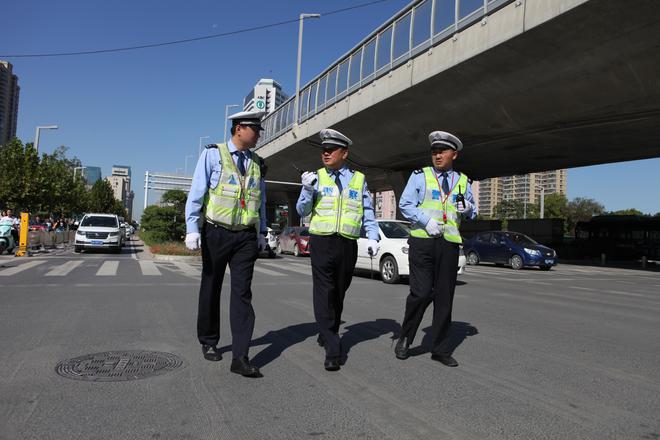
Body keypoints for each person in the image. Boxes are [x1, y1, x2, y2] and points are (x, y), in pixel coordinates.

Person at [184, 110, 268, 378]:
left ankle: (240, 357)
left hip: (244, 236)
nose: (258, 135)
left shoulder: (257, 163)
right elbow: (197, 192)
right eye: (255, 129)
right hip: (216, 232)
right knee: (212, 285)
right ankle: (209, 340)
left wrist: (262, 231)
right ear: (240, 129)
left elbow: (260, 200)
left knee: (243, 293)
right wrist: (192, 228)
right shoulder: (213, 154)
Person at [296, 128, 380, 371]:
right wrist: (307, 189)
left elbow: (367, 210)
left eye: (331, 150)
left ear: (344, 153)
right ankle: (333, 346)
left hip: (347, 243)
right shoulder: (315, 177)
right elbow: (302, 211)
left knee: (339, 292)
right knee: (324, 291)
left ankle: (326, 331)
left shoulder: (358, 179)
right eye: (323, 150)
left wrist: (373, 236)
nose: (326, 153)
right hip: (322, 241)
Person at [394, 131, 477, 367]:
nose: (437, 155)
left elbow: (473, 213)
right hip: (422, 240)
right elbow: (405, 204)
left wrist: (467, 206)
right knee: (420, 294)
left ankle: (440, 349)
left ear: (454, 154)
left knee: (444, 299)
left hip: (449, 243)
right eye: (434, 151)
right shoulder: (420, 176)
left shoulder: (463, 180)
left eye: (442, 151)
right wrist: (425, 221)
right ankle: (405, 338)